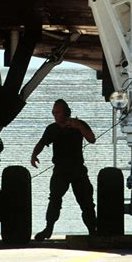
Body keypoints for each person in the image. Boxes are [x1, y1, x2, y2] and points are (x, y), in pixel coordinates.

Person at [30, 99, 97, 240]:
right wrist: (34, 155)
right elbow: (42, 143)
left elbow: (91, 139)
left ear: (66, 112)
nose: (55, 115)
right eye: (53, 112)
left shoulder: (78, 124)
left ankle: (93, 231)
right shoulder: (52, 128)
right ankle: (48, 229)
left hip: (77, 170)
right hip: (60, 170)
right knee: (54, 199)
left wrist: (78, 126)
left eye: (58, 112)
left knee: (86, 202)